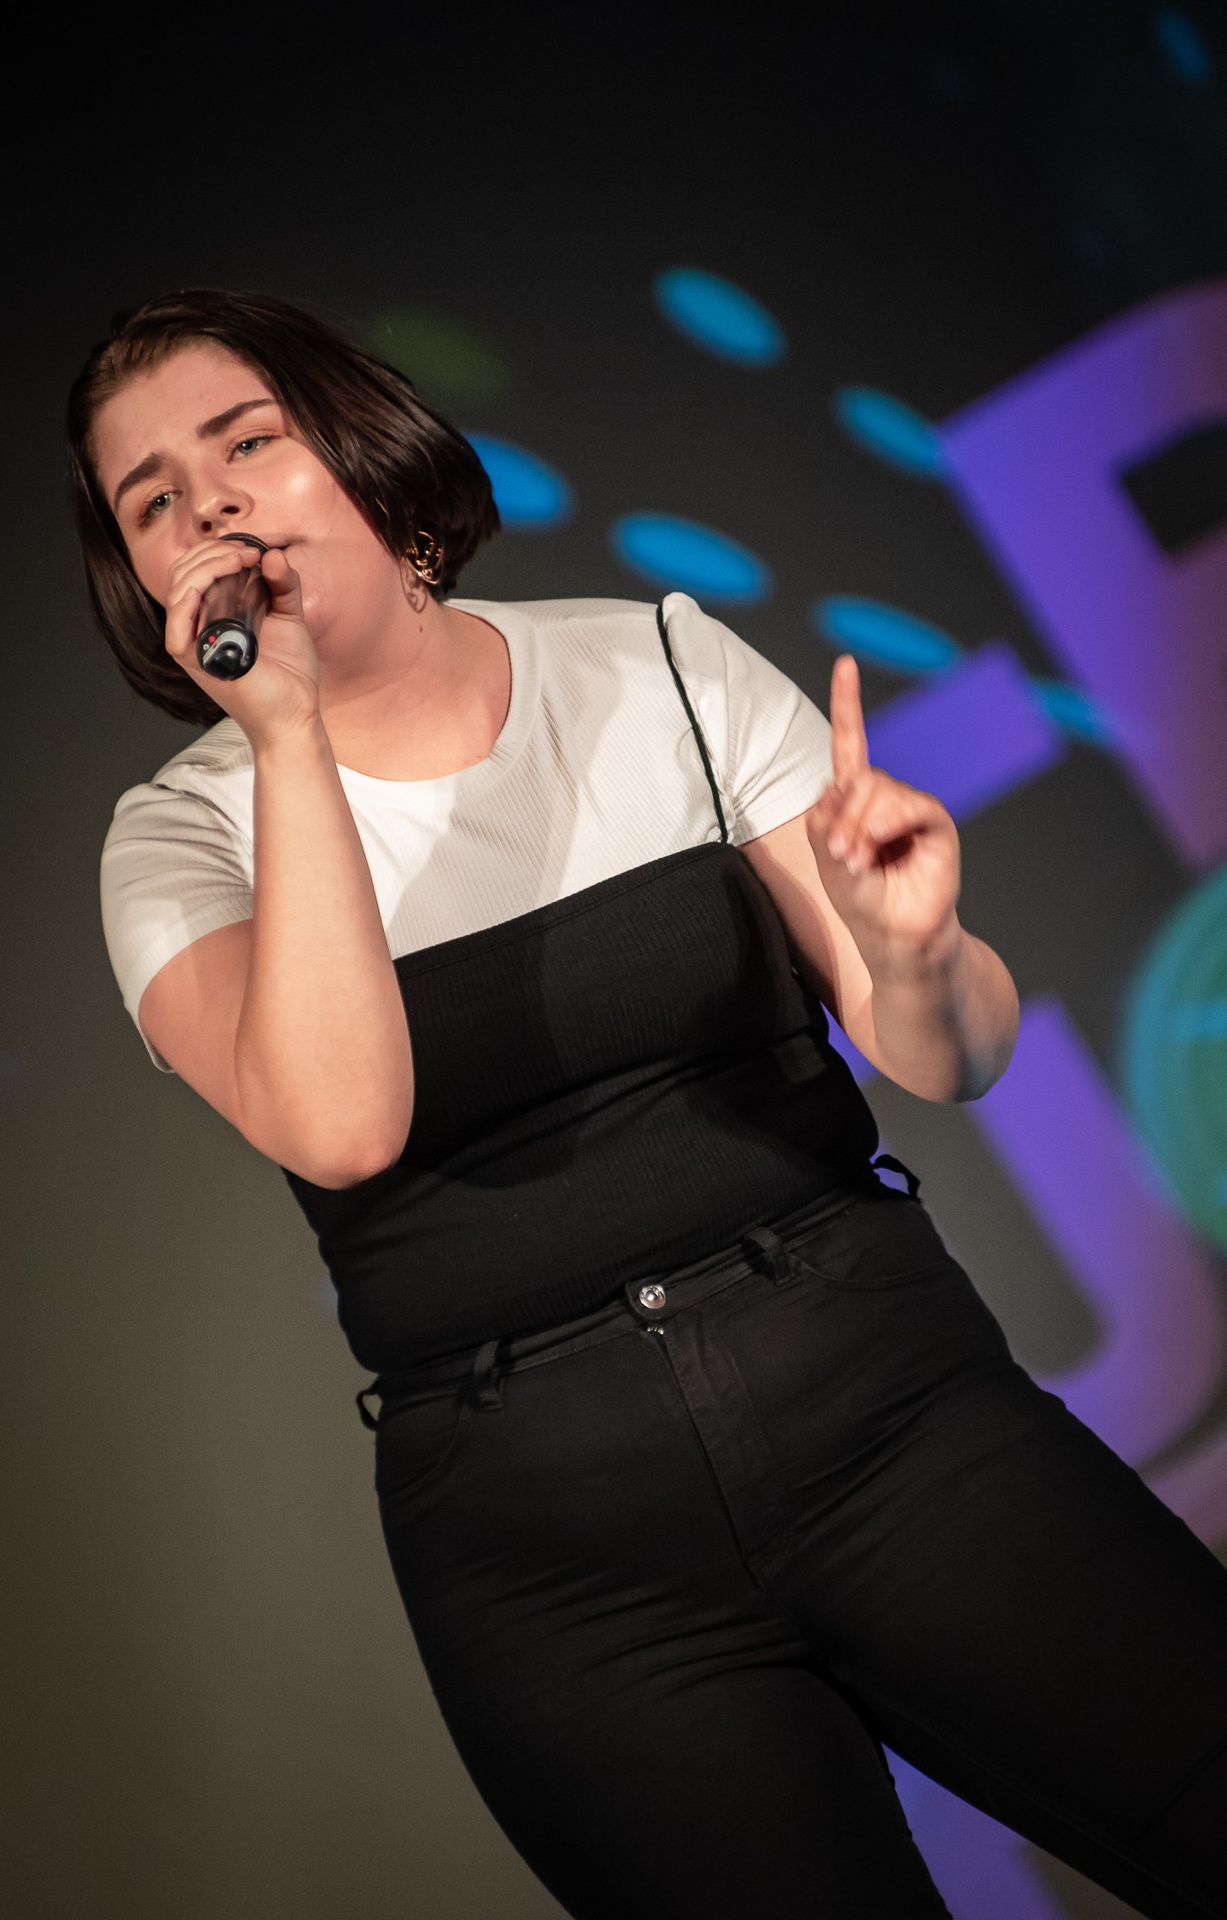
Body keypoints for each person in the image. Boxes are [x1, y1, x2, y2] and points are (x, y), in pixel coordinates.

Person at [78, 289, 1227, 1920]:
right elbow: (341, 1127)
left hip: (896, 1424)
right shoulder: (180, 839)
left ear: (356, 443)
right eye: (153, 500)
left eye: (245, 442)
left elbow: (947, 1056)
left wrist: (915, 948)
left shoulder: (657, 662)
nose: (210, 507)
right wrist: (285, 737)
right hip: (564, 1570)